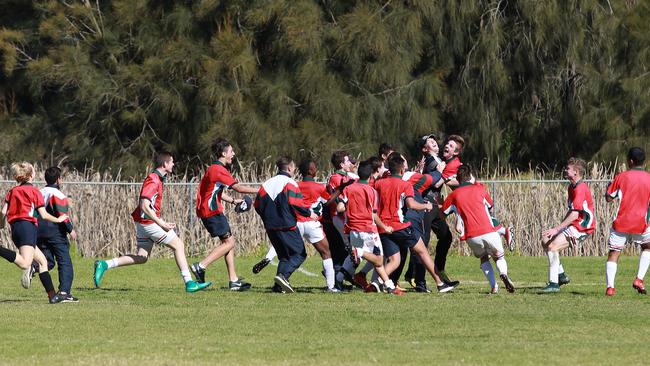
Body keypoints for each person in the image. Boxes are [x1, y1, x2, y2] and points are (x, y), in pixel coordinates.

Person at [93, 152, 210, 293]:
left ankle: (105, 264)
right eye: (172, 162)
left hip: (143, 223)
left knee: (142, 257)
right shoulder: (153, 180)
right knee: (179, 245)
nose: (173, 164)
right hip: (148, 223)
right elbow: (144, 205)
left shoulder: (158, 179)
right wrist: (161, 223)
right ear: (165, 164)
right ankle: (190, 283)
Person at [252, 159, 345, 292]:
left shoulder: (276, 183)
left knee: (284, 254)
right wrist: (340, 190)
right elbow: (326, 202)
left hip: (294, 222)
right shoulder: (307, 185)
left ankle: (274, 275)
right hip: (310, 222)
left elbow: (258, 205)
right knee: (322, 253)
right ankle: (331, 287)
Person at [374, 153, 455, 293]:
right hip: (400, 225)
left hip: (383, 227)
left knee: (395, 260)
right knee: (423, 252)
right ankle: (440, 284)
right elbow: (411, 203)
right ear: (401, 170)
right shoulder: (406, 184)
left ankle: (376, 282)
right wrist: (426, 206)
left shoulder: (379, 183)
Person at [192, 138, 258, 290]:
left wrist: (233, 201)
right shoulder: (219, 170)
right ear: (223, 153)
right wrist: (261, 190)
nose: (233, 154)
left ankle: (233, 280)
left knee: (228, 242)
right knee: (230, 243)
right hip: (212, 211)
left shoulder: (213, 169)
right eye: (231, 151)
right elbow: (239, 188)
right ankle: (201, 266)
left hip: (209, 210)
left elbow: (215, 192)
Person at [0, 162, 68, 302]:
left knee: (43, 262)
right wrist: (59, 219)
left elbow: (2, 212)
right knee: (25, 264)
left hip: (16, 229)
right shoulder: (34, 191)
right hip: (27, 227)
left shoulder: (12, 191)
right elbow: (44, 215)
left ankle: (52, 296)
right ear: (31, 175)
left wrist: (1, 225)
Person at [442, 165, 515, 293]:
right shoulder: (480, 189)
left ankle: (494, 286)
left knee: (484, 258)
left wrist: (439, 203)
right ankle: (503, 273)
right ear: (470, 176)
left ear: (458, 179)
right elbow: (490, 206)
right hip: (489, 231)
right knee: (498, 257)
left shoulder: (453, 195)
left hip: (472, 236)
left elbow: (442, 214)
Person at [336, 160, 402, 295]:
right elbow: (374, 215)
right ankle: (359, 253)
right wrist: (385, 227)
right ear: (371, 174)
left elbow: (340, 208)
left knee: (376, 261)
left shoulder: (349, 188)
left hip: (353, 230)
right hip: (368, 229)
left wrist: (348, 207)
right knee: (379, 259)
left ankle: (389, 287)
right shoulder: (372, 191)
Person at [254, 156, 318, 293]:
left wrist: (267, 218)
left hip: (270, 227)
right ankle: (283, 276)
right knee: (299, 254)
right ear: (289, 168)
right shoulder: (290, 182)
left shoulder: (266, 183)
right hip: (286, 225)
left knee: (284, 256)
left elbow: (257, 205)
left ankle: (278, 286)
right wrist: (309, 214)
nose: (294, 170)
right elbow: (296, 203)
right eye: (293, 167)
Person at [539, 158, 596, 293]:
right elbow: (572, 212)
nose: (565, 170)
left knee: (553, 247)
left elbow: (576, 215)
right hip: (575, 225)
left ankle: (554, 284)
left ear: (576, 172)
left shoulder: (580, 188)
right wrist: (560, 227)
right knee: (545, 240)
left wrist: (557, 229)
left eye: (568, 169)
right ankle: (561, 275)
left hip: (582, 227)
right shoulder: (572, 186)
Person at [604, 147, 650, 296]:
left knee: (614, 253)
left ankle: (610, 288)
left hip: (621, 222)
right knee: (647, 248)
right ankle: (639, 279)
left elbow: (609, 198)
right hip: (642, 223)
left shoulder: (621, 177)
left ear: (630, 161)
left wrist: (607, 188)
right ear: (644, 161)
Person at [37, 167, 80, 303]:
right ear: (58, 179)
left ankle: (32, 268)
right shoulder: (58, 194)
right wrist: (70, 230)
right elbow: (62, 216)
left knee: (47, 261)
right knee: (64, 261)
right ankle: (64, 292)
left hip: (38, 230)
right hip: (54, 231)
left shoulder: (39, 192)